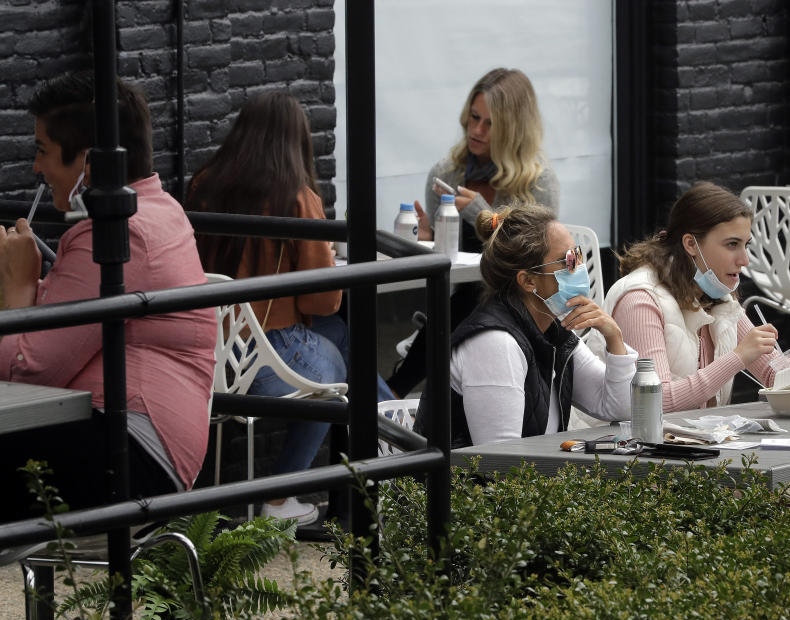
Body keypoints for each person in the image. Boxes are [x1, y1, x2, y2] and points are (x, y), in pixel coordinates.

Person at [0, 72, 216, 519]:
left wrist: (17, 289)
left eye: (43, 151)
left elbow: (28, 371)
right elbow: (62, 333)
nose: (36, 168)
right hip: (123, 440)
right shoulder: (155, 209)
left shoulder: (118, 234)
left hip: (129, 454)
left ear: (91, 164)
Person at [189, 91, 390, 526]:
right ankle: (285, 498)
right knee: (335, 365)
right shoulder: (296, 198)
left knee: (341, 338)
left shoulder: (203, 185)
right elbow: (323, 298)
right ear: (295, 141)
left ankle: (403, 436)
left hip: (208, 350)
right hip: (263, 362)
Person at [388, 67, 560, 398]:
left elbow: (533, 263)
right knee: (462, 301)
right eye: (473, 117)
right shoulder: (447, 172)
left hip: (519, 302)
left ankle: (394, 391)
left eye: (489, 123)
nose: (476, 130)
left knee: (470, 300)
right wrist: (428, 237)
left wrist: (481, 214)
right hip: (457, 303)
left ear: (513, 129)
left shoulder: (537, 183)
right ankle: (394, 395)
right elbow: (447, 263)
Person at [417, 204, 636, 448]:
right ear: (528, 280)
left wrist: (614, 337)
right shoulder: (495, 344)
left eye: (579, 256)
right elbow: (500, 459)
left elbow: (620, 407)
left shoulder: (556, 330)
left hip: (527, 478)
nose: (580, 269)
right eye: (569, 261)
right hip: (462, 484)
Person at [603, 182, 790, 413]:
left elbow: (772, 376)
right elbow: (654, 402)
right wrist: (738, 357)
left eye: (746, 245)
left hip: (690, 441)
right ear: (690, 244)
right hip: (613, 444)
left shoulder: (716, 293)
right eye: (732, 244)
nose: (745, 260)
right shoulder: (640, 299)